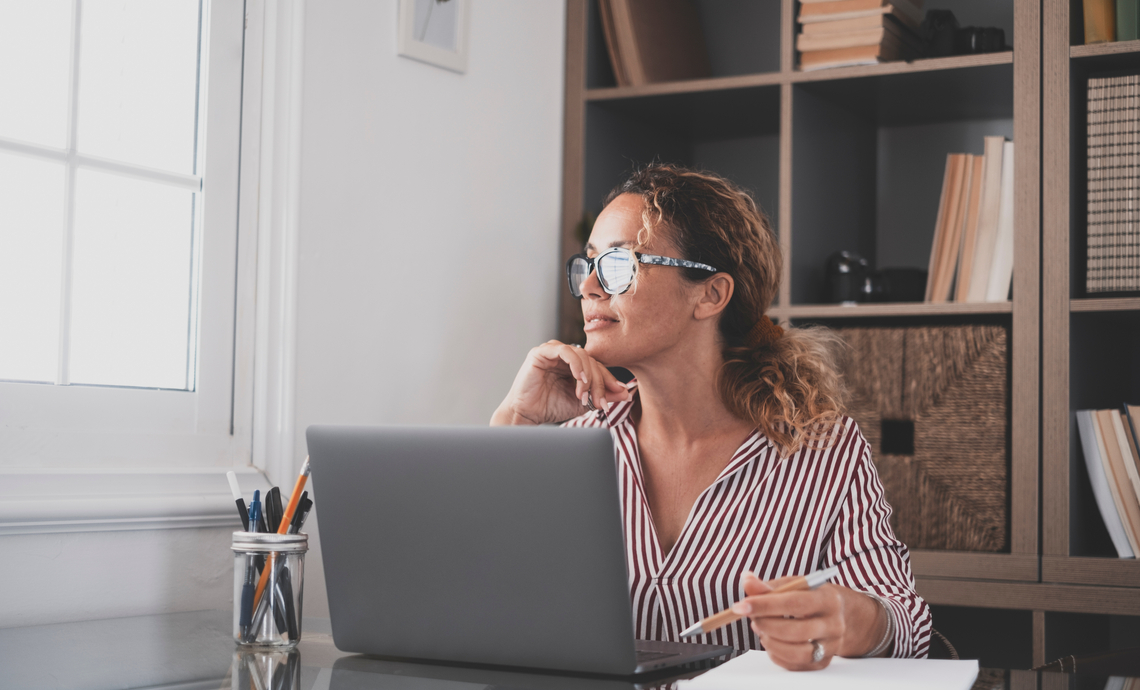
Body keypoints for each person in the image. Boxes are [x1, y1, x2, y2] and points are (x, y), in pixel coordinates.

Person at [491, 163, 932, 671]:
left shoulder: (819, 450)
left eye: (617, 263)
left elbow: (907, 626)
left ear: (710, 294)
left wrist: (847, 618)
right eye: (587, 264)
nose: (588, 286)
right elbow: (480, 601)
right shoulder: (571, 448)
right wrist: (516, 420)